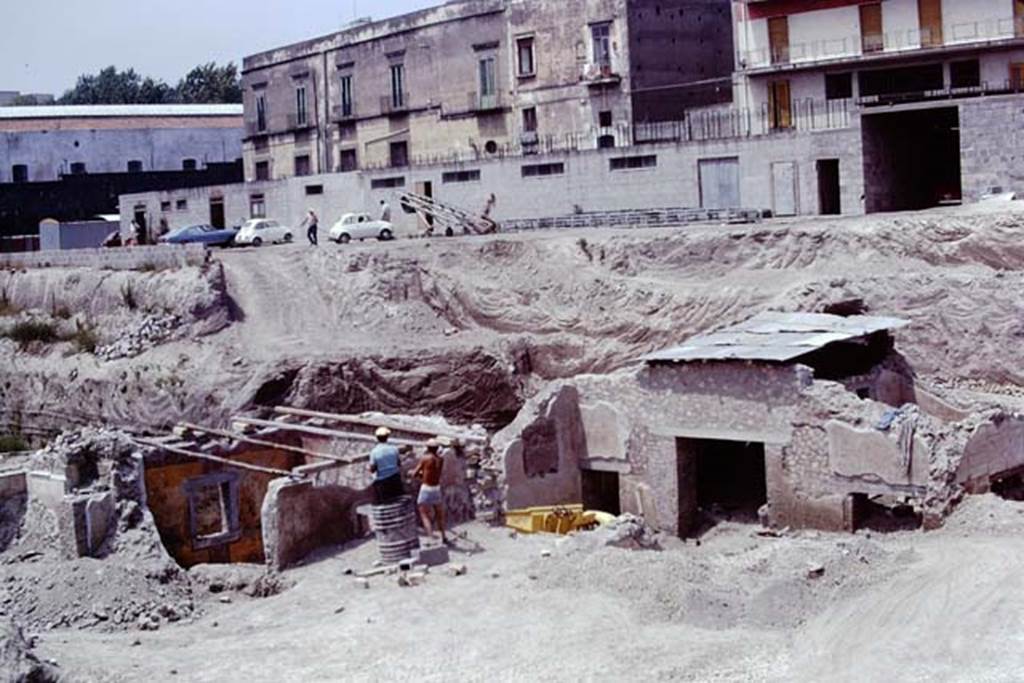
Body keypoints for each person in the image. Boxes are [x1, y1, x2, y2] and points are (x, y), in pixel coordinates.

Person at [412, 438, 447, 544]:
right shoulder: (440, 459)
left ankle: (431, 538)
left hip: (426, 488)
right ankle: (443, 536)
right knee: (439, 514)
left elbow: (415, 473)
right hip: (436, 488)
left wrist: (416, 474)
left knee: (424, 513)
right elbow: (434, 473)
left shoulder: (425, 458)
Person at [369, 426, 404, 504]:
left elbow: (372, 469)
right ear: (387, 437)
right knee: (399, 502)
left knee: (385, 503)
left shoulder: (374, 452)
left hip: (382, 482)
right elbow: (399, 463)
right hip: (395, 479)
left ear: (377, 438)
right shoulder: (394, 449)